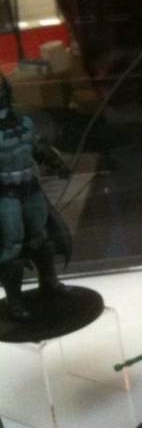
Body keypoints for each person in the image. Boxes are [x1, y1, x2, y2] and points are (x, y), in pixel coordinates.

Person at [0, 75, 71, 321]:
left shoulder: (25, 122)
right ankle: (14, 300)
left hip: (30, 187)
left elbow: (37, 148)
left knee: (41, 235)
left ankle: (49, 282)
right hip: (5, 194)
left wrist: (56, 162)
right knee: (11, 245)